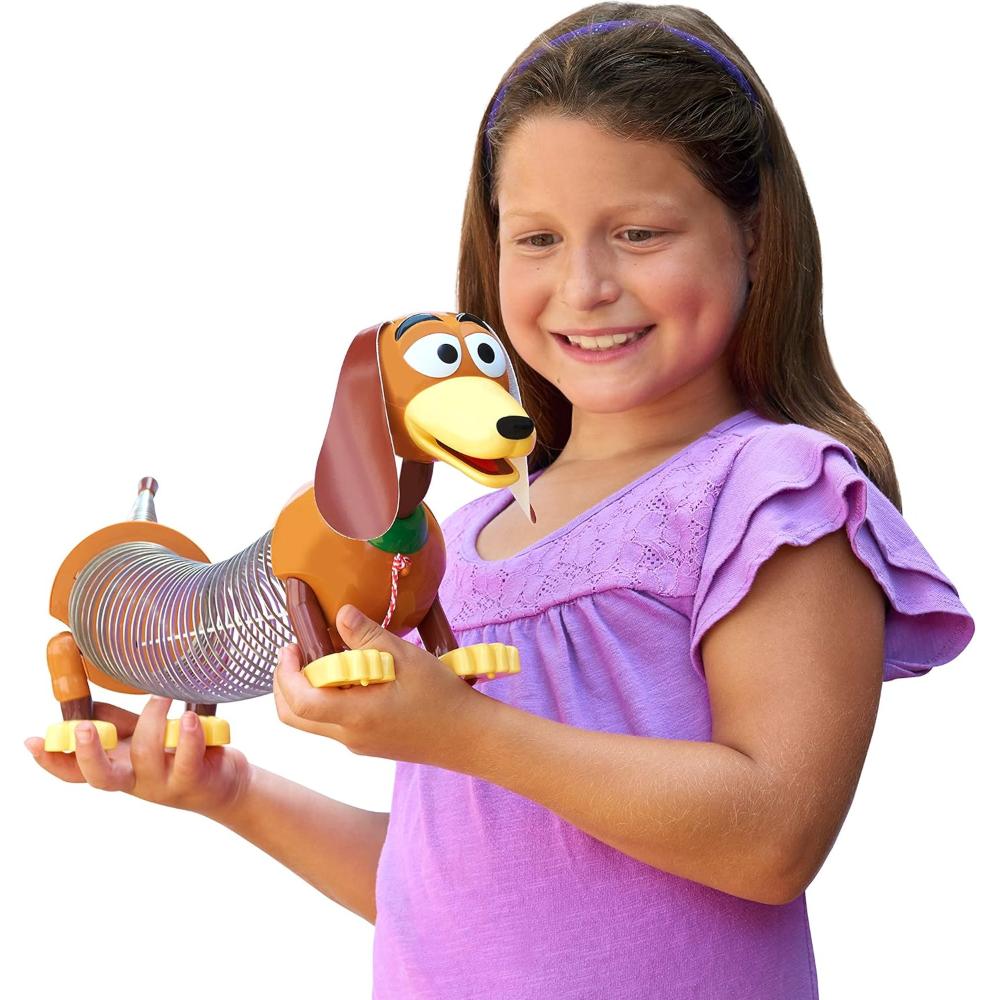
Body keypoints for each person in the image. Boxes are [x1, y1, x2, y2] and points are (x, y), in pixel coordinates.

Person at [25, 5, 976, 998]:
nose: (584, 284)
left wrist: (465, 731)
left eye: (638, 232)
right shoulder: (463, 536)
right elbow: (459, 887)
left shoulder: (774, 491)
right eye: (537, 238)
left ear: (755, 234)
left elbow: (773, 837)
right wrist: (232, 792)